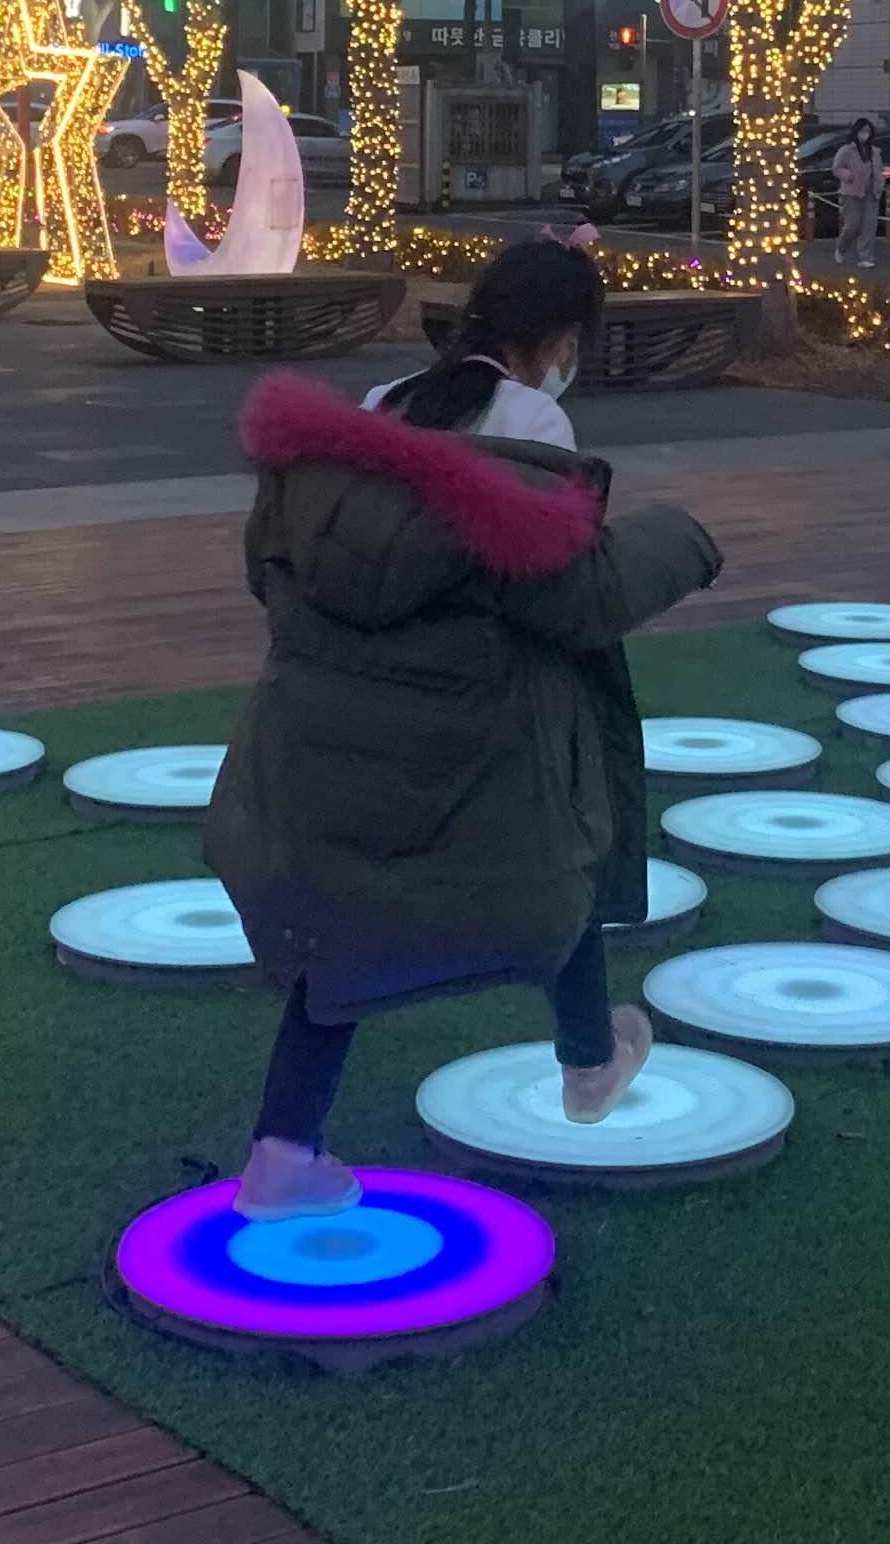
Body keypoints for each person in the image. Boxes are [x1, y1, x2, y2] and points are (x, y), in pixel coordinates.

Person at [205, 237, 720, 1217]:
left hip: (333, 731)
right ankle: (589, 1062)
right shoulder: (534, 421)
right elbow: (568, 593)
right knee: (561, 841)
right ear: (561, 339)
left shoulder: (381, 405)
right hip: (470, 726)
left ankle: (281, 1150)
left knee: (341, 933)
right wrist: (680, 541)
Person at [834, 115, 887, 269]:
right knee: (852, 225)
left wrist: (880, 181)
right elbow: (837, 168)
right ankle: (841, 248)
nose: (865, 134)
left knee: (869, 226)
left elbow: (879, 169)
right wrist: (849, 176)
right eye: (862, 130)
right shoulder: (846, 150)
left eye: (868, 131)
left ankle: (866, 257)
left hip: (871, 191)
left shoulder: (875, 152)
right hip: (852, 192)